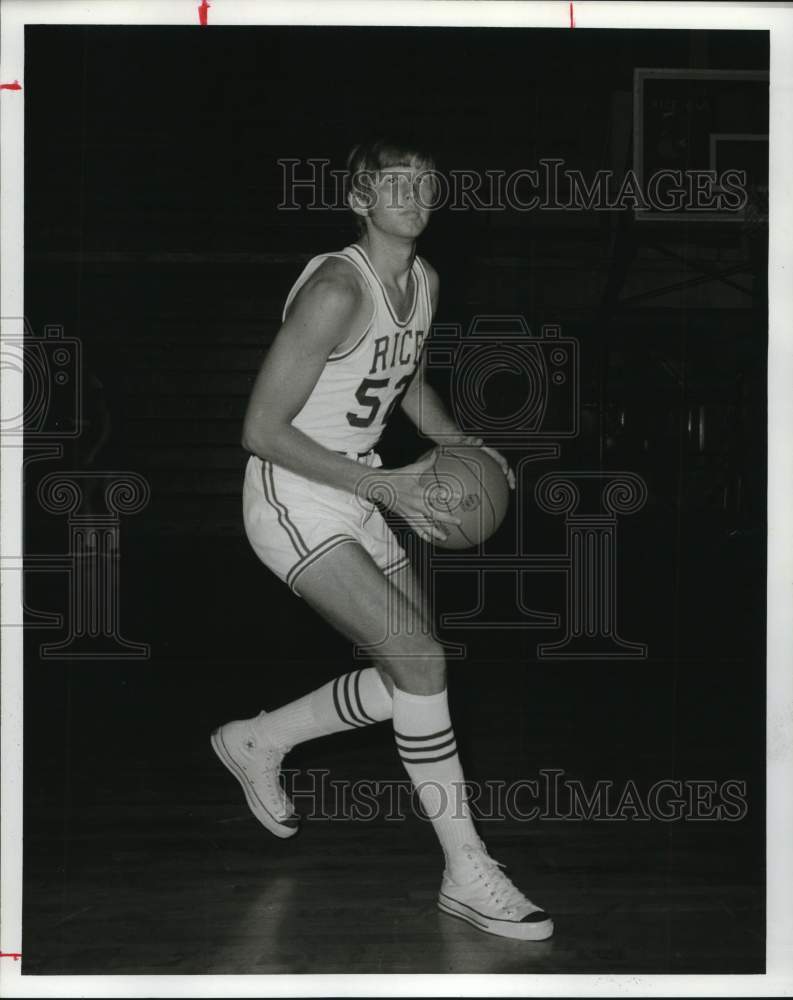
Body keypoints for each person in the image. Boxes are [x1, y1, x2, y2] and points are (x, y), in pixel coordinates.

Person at [211, 138, 553, 941]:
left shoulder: (423, 280)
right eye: (391, 183)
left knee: (411, 673)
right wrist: (384, 485)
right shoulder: (336, 287)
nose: (411, 193)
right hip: (294, 492)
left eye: (423, 182)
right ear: (359, 200)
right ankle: (466, 869)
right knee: (423, 661)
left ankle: (258, 739)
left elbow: (404, 383)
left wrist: (466, 444)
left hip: (358, 483)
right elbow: (259, 428)